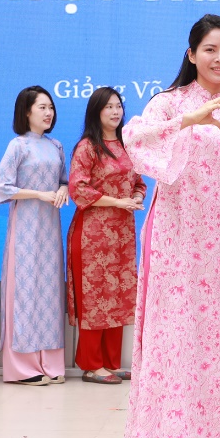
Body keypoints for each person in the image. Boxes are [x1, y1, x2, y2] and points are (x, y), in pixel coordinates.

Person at [122, 14, 220, 438]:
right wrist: (190, 120)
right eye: (211, 49)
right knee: (168, 347)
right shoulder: (168, 102)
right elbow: (135, 140)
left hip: (216, 248)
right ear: (192, 53)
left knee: (212, 352)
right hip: (174, 241)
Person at [67, 87, 144, 384]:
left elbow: (139, 182)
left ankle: (111, 363)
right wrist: (117, 202)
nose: (115, 112)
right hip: (93, 235)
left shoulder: (127, 145)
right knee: (96, 297)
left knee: (118, 296)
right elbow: (78, 190)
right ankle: (91, 365)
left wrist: (135, 197)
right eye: (108, 107)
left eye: (118, 106)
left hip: (122, 235)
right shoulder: (87, 147)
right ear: (96, 111)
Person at [0, 86, 69, 385]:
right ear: (26, 112)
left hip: (50, 227)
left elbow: (63, 180)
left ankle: (51, 363)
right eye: (42, 107)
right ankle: (22, 368)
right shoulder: (18, 146)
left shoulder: (56, 146)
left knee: (49, 292)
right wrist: (39, 194)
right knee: (24, 291)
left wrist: (62, 189)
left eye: (50, 107)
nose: (48, 113)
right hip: (25, 225)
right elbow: (1, 187)